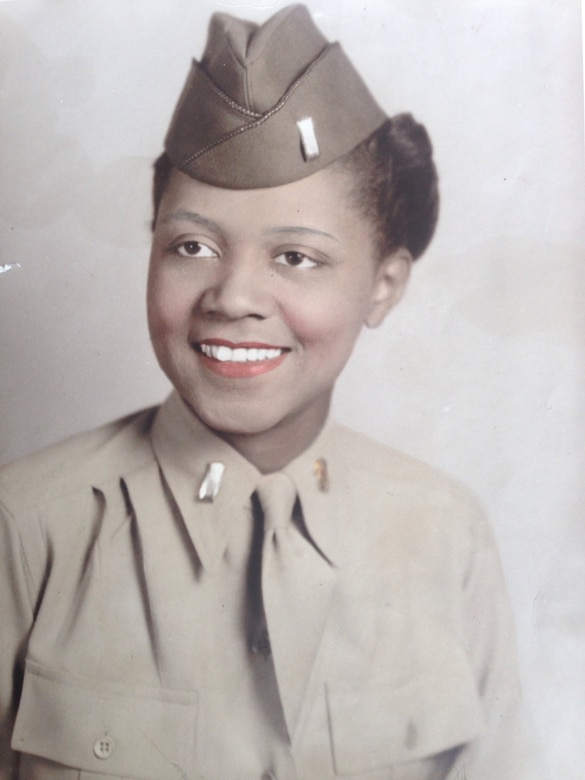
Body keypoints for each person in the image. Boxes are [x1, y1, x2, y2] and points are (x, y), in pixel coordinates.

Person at [0, 4, 545, 778]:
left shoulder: (444, 535)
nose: (232, 296)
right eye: (191, 245)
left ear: (383, 286)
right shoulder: (25, 532)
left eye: (295, 257)